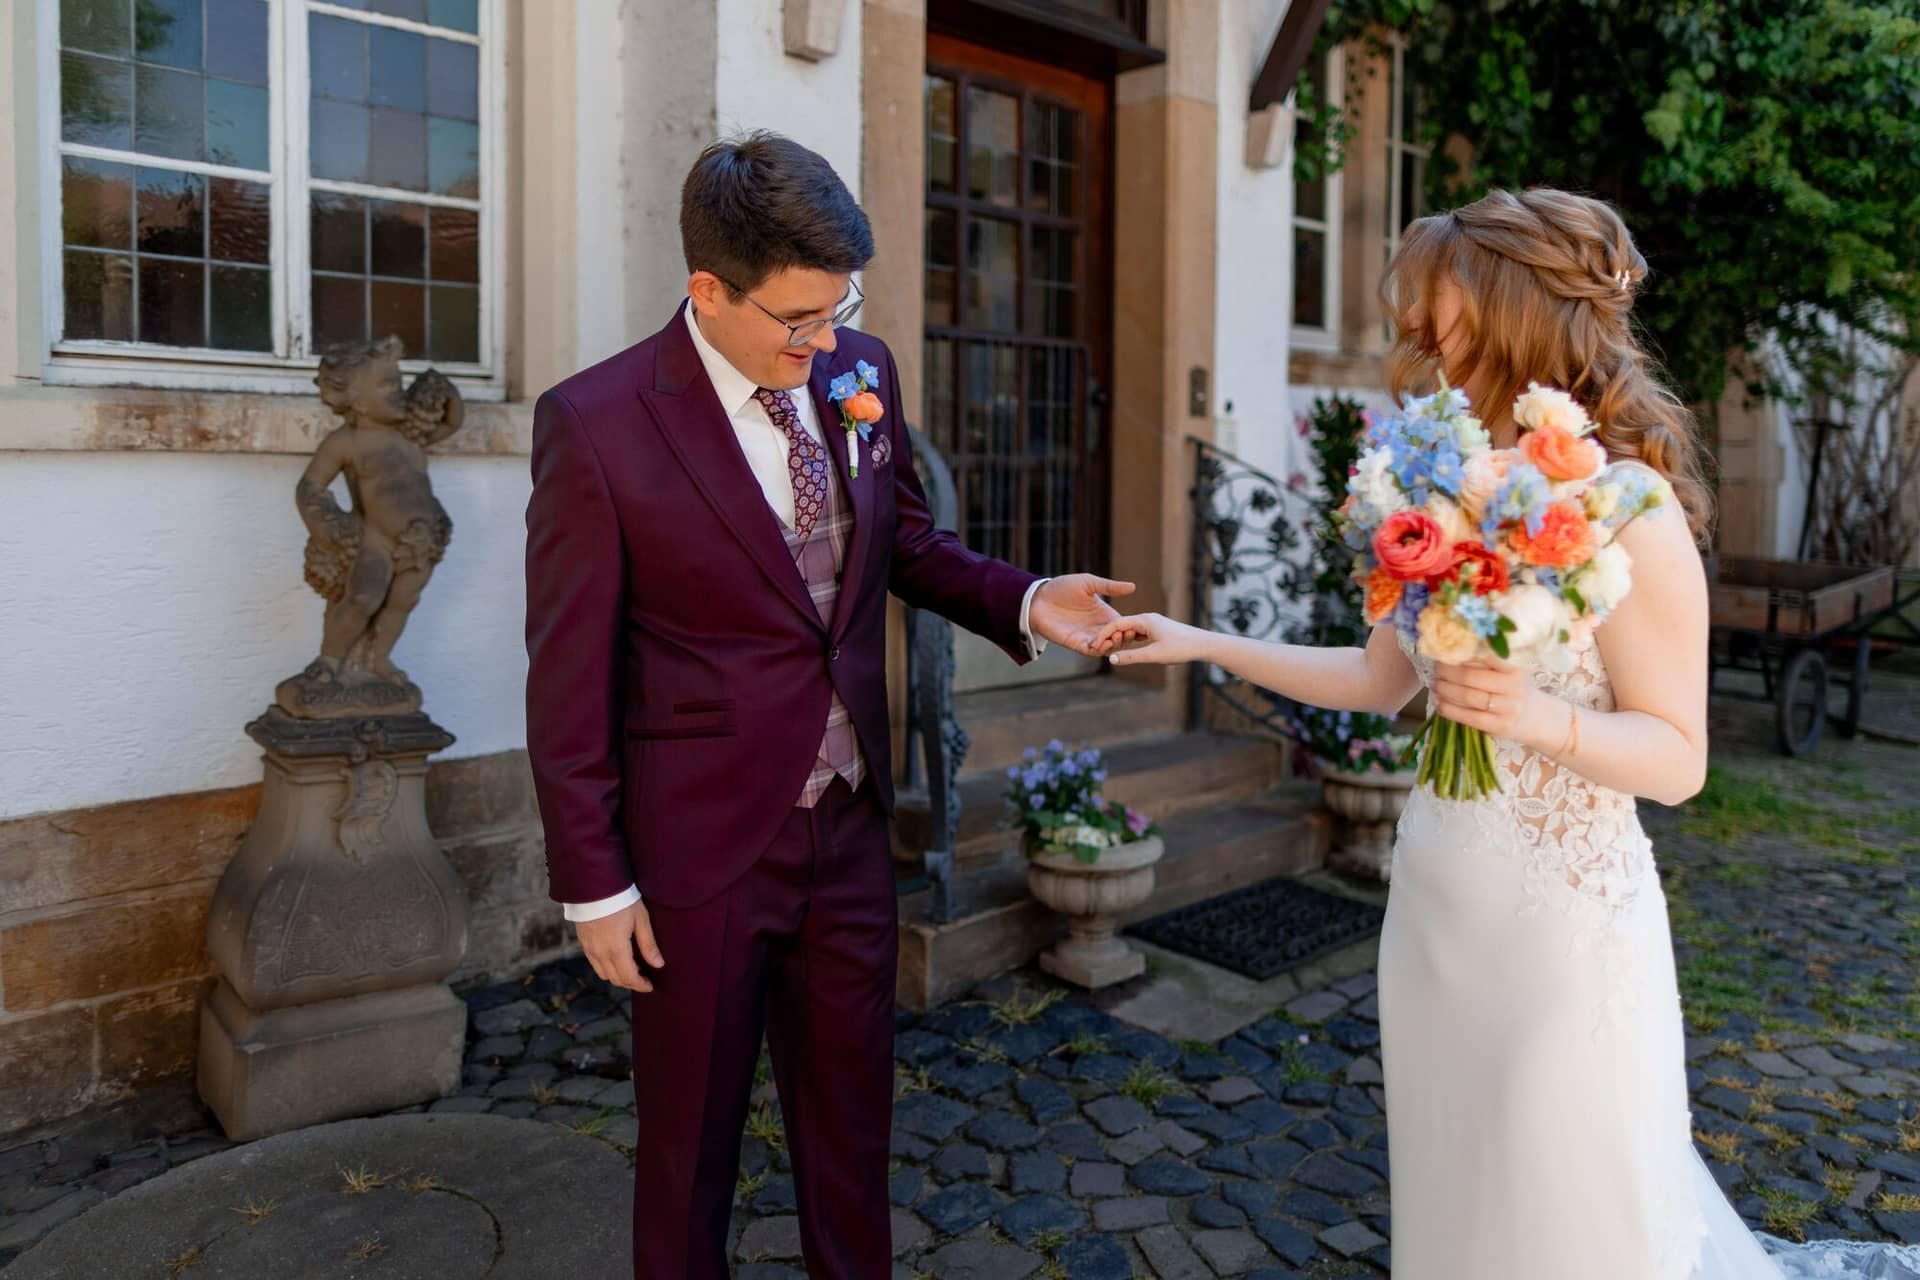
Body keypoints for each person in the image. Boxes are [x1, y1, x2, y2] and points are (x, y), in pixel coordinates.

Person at [1099, 188, 1920, 1279]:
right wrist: (1202, 640)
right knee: (1465, 1208)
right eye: (1429, 330)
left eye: (1450, 326)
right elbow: (1378, 677)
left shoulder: (1628, 506)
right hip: (1438, 914)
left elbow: (1679, 758)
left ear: (1520, 317)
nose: (1433, 351)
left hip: (1562, 941)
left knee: (1572, 1221)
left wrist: (1537, 716)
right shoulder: (1443, 487)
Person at [523, 132, 1134, 1280]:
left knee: (852, 1136)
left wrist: (1031, 596)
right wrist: (596, 882)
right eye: (794, 320)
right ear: (707, 289)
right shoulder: (597, 424)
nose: (822, 341)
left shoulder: (862, 372)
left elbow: (904, 538)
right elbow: (568, 673)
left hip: (849, 830)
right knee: (689, 1154)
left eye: (837, 308)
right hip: (698, 850)